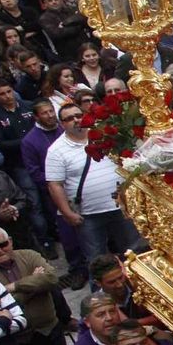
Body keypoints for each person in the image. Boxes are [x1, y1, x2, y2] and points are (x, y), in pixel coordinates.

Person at [47, 101, 143, 268]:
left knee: (135, 251)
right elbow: (54, 185)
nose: (76, 120)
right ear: (62, 124)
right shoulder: (56, 150)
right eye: (69, 118)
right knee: (96, 260)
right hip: (88, 215)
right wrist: (67, 213)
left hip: (121, 206)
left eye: (78, 115)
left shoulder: (105, 134)